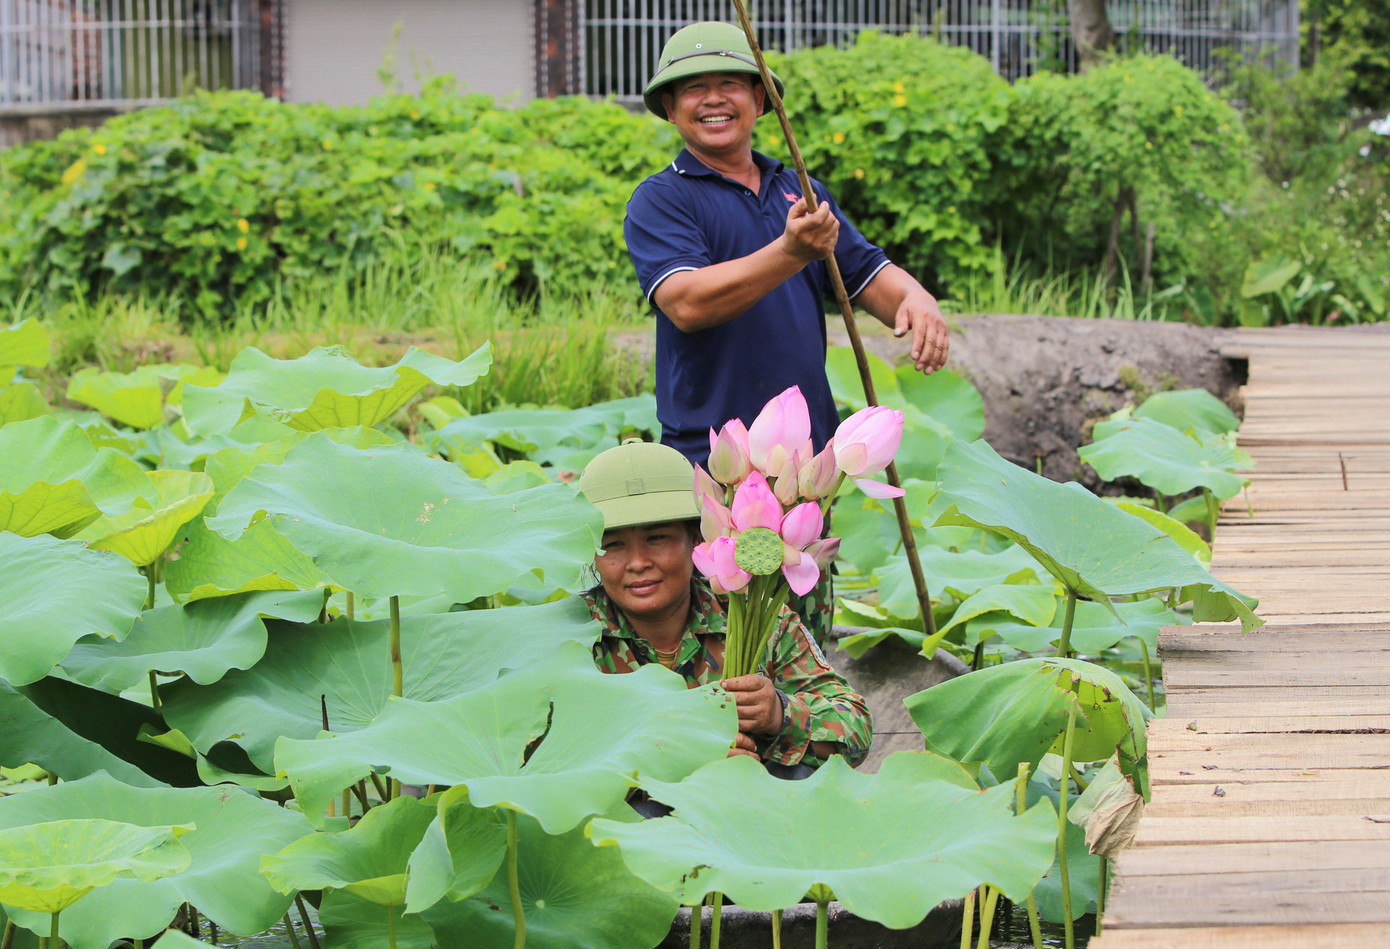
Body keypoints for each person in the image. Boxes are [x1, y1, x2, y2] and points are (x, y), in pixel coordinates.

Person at [624, 21, 950, 646]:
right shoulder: (662, 200)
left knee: (804, 653)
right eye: (693, 88)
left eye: (729, 84)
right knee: (727, 651)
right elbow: (686, 303)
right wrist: (789, 250)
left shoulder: (796, 191)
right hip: (716, 465)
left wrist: (917, 299)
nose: (712, 99)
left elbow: (866, 278)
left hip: (806, 473)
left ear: (761, 99)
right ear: (669, 107)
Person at [576, 439, 871, 775]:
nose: (638, 562)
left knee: (797, 777)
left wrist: (780, 714)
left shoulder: (756, 618)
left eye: (657, 538)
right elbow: (538, 755)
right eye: (613, 545)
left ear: (699, 538)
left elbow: (856, 729)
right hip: (625, 820)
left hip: (748, 813)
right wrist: (677, 763)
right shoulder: (566, 636)